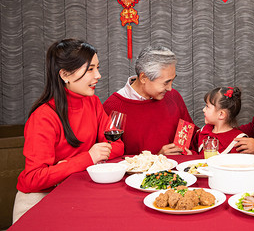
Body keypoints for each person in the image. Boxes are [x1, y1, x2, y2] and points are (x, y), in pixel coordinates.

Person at [13, 39, 124, 223]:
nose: (98, 75)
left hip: (77, 193)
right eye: (90, 69)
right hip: (40, 200)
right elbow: (33, 178)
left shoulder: (93, 103)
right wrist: (87, 158)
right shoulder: (43, 116)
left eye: (98, 67)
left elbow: (118, 146)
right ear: (65, 74)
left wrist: (67, 164)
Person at [103, 45, 195, 155]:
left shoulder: (173, 96)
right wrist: (157, 159)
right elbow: (111, 157)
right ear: (143, 78)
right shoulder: (112, 106)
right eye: (166, 82)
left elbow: (190, 137)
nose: (170, 88)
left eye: (172, 81)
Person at [195, 87, 246, 155]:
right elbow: (198, 155)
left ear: (221, 114)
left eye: (207, 106)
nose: (203, 110)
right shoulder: (205, 130)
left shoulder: (238, 141)